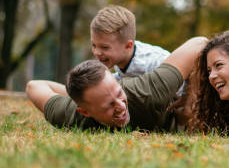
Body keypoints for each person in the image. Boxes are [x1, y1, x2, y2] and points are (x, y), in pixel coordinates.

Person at [25, 37, 207, 131]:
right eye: (109, 104)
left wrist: (190, 102)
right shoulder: (73, 115)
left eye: (119, 94)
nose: (121, 106)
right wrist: (78, 97)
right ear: (85, 111)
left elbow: (199, 43)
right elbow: (33, 86)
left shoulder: (146, 92)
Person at [90, 5, 170, 81]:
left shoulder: (153, 64)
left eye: (105, 47)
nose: (97, 52)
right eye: (94, 45)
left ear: (128, 46)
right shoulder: (121, 58)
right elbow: (123, 76)